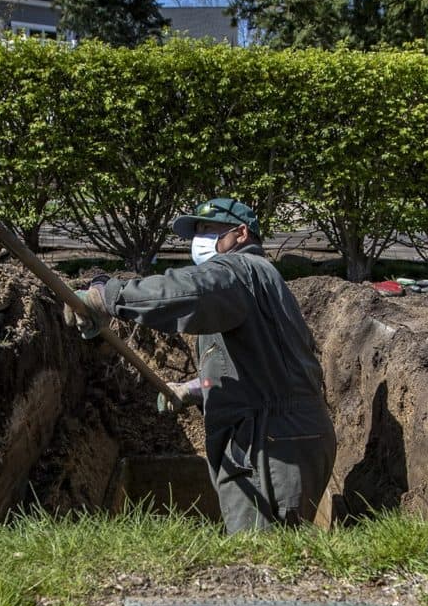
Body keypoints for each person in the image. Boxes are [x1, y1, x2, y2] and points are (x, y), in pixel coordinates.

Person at [70, 197, 336, 534]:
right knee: (273, 549)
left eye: (209, 229)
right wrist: (195, 388)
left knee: (261, 560)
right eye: (196, 232)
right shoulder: (257, 281)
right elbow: (260, 364)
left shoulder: (238, 272)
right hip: (283, 434)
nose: (199, 240)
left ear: (240, 233)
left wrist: (107, 297)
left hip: (270, 444)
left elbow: (184, 292)